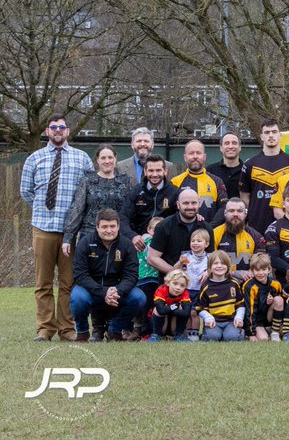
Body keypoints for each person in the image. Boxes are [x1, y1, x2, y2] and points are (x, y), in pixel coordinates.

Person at [69, 209, 146, 341]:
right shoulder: (85, 243)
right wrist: (103, 292)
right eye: (104, 226)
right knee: (77, 298)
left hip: (117, 290)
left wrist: (117, 290)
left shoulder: (127, 245)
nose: (109, 230)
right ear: (97, 227)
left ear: (118, 227)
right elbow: (80, 274)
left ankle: (114, 330)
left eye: (112, 226)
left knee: (139, 297)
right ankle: (82, 331)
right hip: (91, 289)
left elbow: (132, 275)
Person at [63, 144, 136, 252]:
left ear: (115, 159)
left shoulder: (126, 182)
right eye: (103, 158)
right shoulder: (87, 180)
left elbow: (131, 211)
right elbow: (77, 209)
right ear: (97, 160)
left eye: (110, 157)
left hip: (118, 237)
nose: (107, 161)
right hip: (90, 236)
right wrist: (67, 238)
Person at [239, 118, 289, 234]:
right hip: (257, 223)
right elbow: (244, 195)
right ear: (261, 136)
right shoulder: (250, 164)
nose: (271, 135)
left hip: (286, 224)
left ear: (280, 135)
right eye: (267, 132)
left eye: (274, 132)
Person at [145, 188, 214, 276]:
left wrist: (207, 272)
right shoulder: (164, 226)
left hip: (199, 284)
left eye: (194, 203)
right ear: (178, 205)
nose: (190, 207)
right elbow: (152, 258)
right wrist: (175, 273)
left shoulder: (206, 228)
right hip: (171, 284)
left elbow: (211, 257)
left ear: (199, 204)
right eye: (185, 203)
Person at [120, 154, 179, 248]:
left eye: (158, 170)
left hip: (166, 244)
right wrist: (133, 236)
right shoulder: (136, 191)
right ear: (145, 171)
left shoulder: (174, 192)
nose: (155, 174)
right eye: (151, 170)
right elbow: (123, 217)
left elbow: (181, 216)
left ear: (165, 171)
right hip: (140, 244)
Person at [170, 140, 230, 225]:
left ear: (204, 157)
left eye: (198, 153)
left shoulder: (217, 181)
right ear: (185, 157)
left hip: (210, 234)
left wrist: (208, 229)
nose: (195, 156)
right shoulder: (175, 182)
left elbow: (224, 208)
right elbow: (170, 211)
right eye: (191, 153)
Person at [194, 250, 245, 341]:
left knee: (231, 337)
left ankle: (237, 332)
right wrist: (208, 318)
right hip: (214, 322)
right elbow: (200, 308)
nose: (219, 266)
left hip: (230, 321)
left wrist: (239, 317)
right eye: (215, 263)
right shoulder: (206, 286)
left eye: (223, 263)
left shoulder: (234, 284)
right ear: (209, 267)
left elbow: (240, 304)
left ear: (228, 267)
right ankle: (210, 333)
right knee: (212, 337)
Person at [212, 198, 264, 283]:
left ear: (245, 213)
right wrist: (233, 273)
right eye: (231, 211)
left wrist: (253, 272)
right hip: (222, 283)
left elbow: (262, 265)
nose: (235, 214)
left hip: (248, 284)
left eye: (239, 211)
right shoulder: (215, 234)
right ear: (225, 213)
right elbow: (210, 264)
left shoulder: (256, 237)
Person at [242, 252, 284, 341]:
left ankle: (274, 332)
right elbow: (249, 311)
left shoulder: (276, 284)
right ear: (252, 271)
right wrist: (251, 333)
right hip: (257, 320)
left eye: (264, 269)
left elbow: (279, 306)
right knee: (263, 339)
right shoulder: (249, 286)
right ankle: (253, 331)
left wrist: (270, 301)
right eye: (257, 270)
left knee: (279, 299)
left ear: (269, 269)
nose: (261, 273)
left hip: (269, 318)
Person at [149, 269, 192, 342]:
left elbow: (186, 313)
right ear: (168, 283)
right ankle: (156, 335)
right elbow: (161, 310)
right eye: (175, 283)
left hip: (173, 321)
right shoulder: (161, 290)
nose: (178, 288)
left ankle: (179, 335)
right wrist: (175, 305)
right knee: (156, 309)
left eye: (182, 285)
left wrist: (169, 308)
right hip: (160, 322)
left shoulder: (185, 293)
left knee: (182, 308)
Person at [208, 131, 244, 203]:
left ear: (240, 147)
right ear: (221, 148)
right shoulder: (210, 171)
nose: (230, 146)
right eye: (227, 143)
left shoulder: (247, 171)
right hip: (216, 213)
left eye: (234, 143)